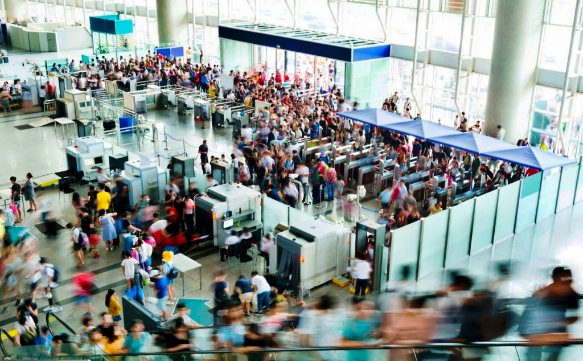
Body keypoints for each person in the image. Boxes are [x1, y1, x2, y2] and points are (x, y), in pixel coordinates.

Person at [520, 266, 579, 361]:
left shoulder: (571, 294)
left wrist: (558, 324)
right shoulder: (542, 294)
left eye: (569, 280)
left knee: (549, 355)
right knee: (535, 355)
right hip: (541, 335)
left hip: (553, 335)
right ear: (555, 279)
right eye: (565, 280)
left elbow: (573, 316)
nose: (568, 283)